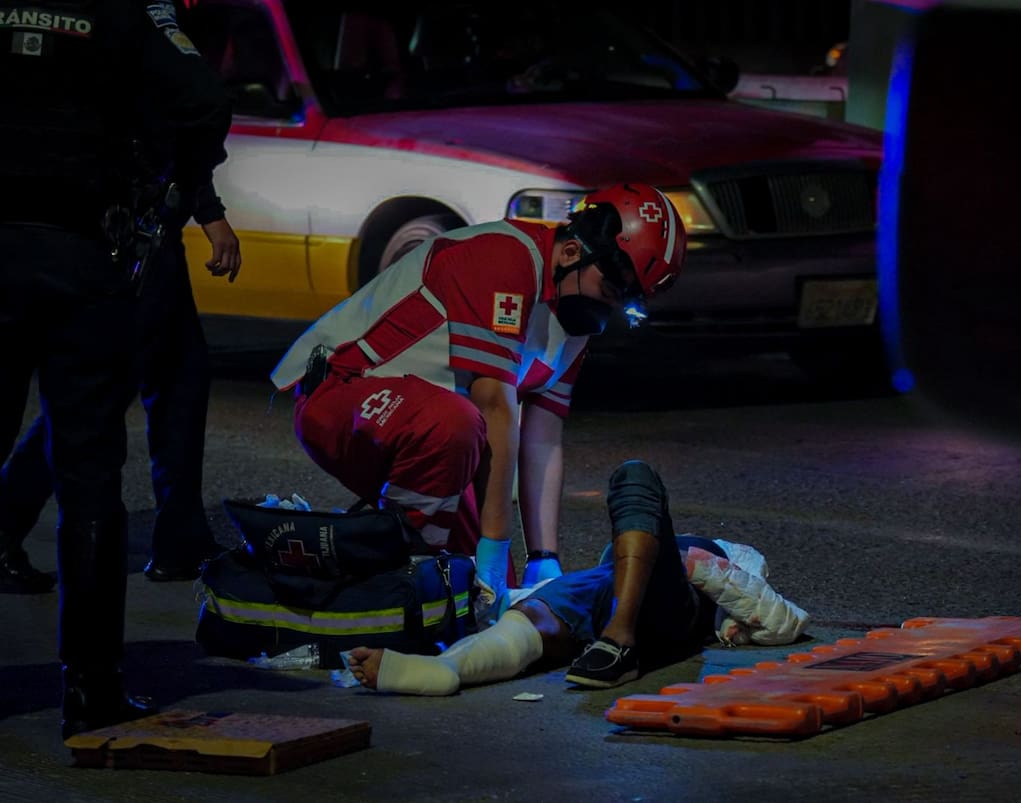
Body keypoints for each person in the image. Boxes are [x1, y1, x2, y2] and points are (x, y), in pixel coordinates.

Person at [270, 185, 687, 604]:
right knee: (458, 432)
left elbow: (543, 438)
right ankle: (402, 568)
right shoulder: (506, 258)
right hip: (340, 391)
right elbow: (495, 408)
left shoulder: (573, 306)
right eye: (610, 290)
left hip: (433, 430)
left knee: (491, 597)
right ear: (571, 252)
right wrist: (495, 545)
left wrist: (543, 559)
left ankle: (397, 566)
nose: (606, 308)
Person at [0, 1, 231, 738]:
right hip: (82, 251)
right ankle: (90, 687)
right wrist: (171, 186)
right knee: (90, 469)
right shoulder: (124, 9)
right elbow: (203, 98)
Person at [345, 460, 810, 692]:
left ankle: (620, 642)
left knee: (635, 476)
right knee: (536, 618)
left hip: (671, 610)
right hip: (604, 596)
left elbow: (782, 621)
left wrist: (693, 561)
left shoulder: (734, 555)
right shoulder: (613, 566)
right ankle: (450, 668)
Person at [0, 181, 241, 592]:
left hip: (136, 231)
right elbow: (181, 145)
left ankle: (180, 540)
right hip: (131, 232)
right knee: (102, 396)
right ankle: (7, 525)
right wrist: (211, 213)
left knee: (172, 379)